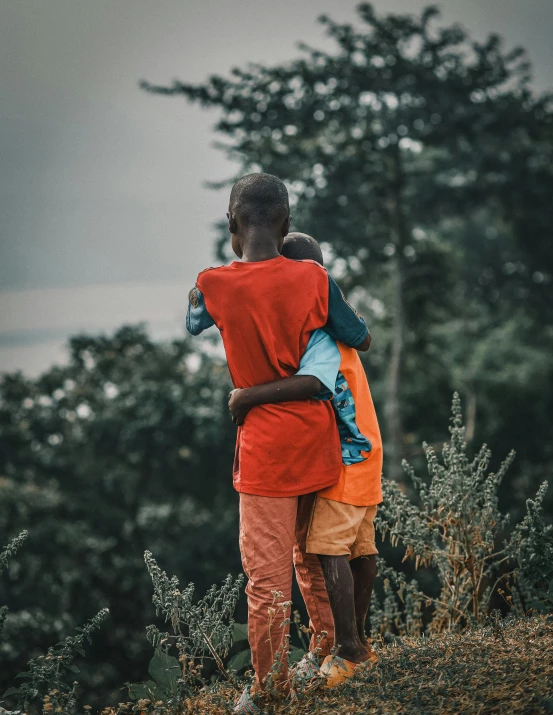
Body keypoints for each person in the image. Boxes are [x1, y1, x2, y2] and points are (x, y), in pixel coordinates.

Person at [185, 175, 371, 712]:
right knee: (311, 553)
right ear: (286, 224)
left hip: (266, 449)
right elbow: (355, 334)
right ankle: (324, 649)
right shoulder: (312, 278)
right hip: (317, 442)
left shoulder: (215, 282)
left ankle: (270, 689)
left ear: (232, 228)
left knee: (266, 576)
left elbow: (196, 321)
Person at [228, 232, 383, 689]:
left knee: (325, 550)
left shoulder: (323, 341)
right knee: (360, 548)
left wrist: (246, 398)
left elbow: (312, 383)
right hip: (367, 455)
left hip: (349, 459)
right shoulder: (338, 331)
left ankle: (349, 649)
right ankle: (349, 644)